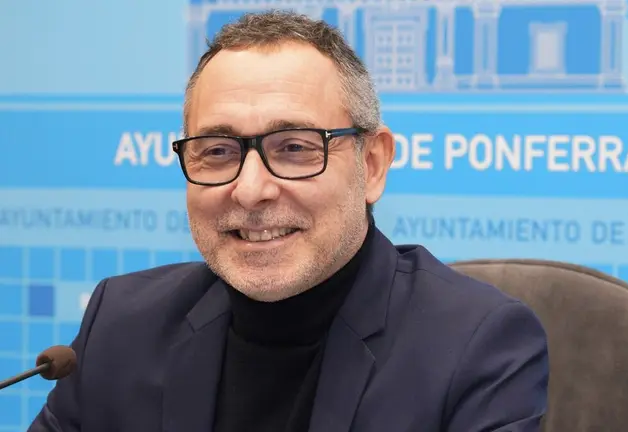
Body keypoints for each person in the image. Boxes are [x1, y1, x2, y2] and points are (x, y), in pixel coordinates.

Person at [29, 10, 548, 432]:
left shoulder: (477, 345)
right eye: (218, 150)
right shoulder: (120, 325)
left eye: (296, 148)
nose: (251, 189)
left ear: (371, 165)